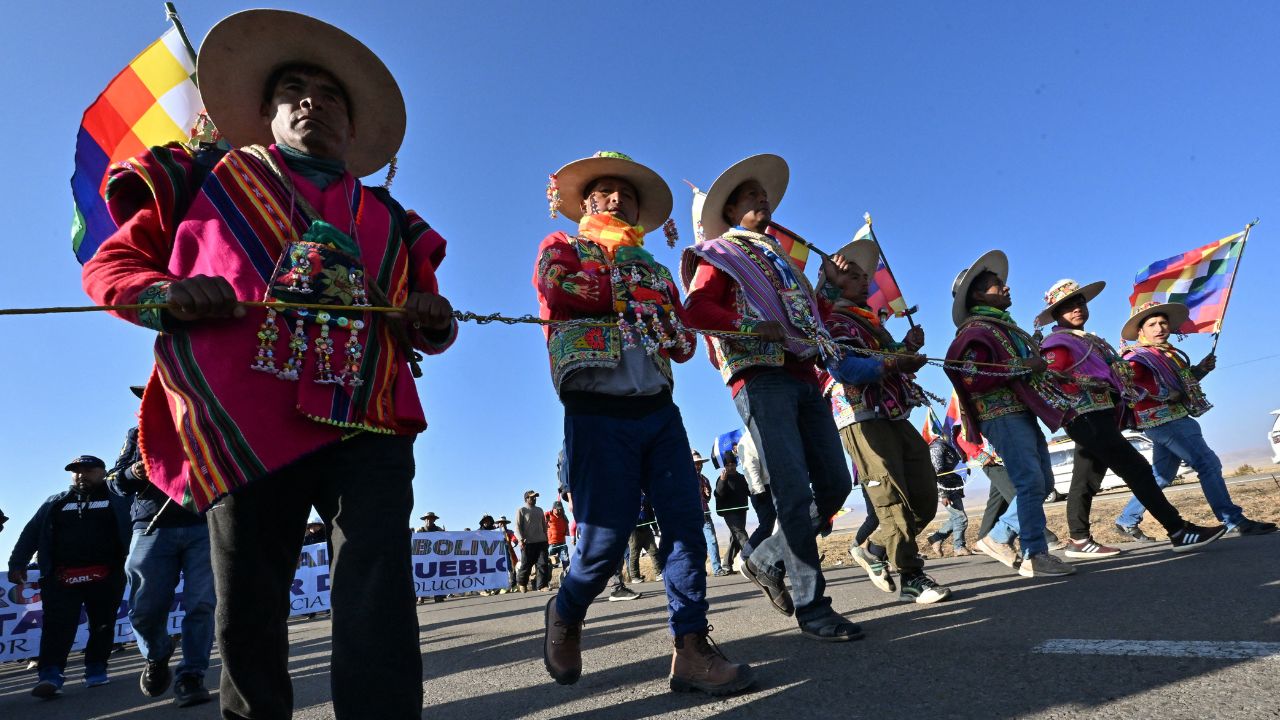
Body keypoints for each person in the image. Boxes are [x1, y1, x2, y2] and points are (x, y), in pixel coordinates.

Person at [80, 11, 458, 718]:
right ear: (264, 112)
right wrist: (165, 292)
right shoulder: (198, 178)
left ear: (351, 125)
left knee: (378, 594)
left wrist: (431, 320)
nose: (313, 100)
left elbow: (424, 318)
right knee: (249, 613)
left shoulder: (390, 218)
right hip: (241, 422)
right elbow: (113, 269)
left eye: (330, 93)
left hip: (369, 419)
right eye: (293, 88)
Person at [535, 151, 751, 694]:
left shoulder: (652, 265)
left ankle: (691, 648)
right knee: (604, 541)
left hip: (657, 406)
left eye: (626, 194)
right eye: (605, 192)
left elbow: (680, 343)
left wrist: (659, 309)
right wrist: (637, 301)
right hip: (595, 406)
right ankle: (566, 609)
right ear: (585, 202)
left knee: (685, 528)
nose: (616, 200)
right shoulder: (563, 246)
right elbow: (558, 287)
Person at [683, 154, 858, 640]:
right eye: (751, 196)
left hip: (805, 374)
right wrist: (745, 325)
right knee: (791, 489)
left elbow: (815, 315)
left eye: (765, 195)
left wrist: (829, 280)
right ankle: (813, 606)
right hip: (761, 375)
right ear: (731, 210)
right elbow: (696, 309)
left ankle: (762, 557)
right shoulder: (720, 255)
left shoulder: (784, 264)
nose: (762, 200)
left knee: (836, 484)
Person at [1037, 282, 1228, 557]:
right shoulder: (1057, 343)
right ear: (1056, 315)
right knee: (1137, 468)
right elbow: (1052, 377)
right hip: (1085, 416)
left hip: (1102, 415)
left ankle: (1079, 539)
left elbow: (1119, 379)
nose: (1077, 309)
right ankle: (1178, 530)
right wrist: (1090, 383)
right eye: (1068, 306)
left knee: (1086, 478)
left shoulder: (1087, 339)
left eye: (1080, 303)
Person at [817, 239, 950, 604]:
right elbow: (842, 367)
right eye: (856, 277)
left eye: (865, 277)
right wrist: (894, 362)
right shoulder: (830, 322)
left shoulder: (871, 322)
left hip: (894, 413)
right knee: (891, 498)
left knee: (924, 496)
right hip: (861, 416)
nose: (866, 283)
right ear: (834, 283)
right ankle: (911, 576)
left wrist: (906, 348)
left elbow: (889, 360)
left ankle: (873, 550)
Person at [943, 251, 1077, 578]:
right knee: (1030, 481)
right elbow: (970, 376)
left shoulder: (1002, 328)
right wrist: (1022, 366)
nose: (1005, 289)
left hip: (1022, 412)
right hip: (1002, 415)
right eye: (996, 286)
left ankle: (1000, 536)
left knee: (1043, 482)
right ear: (977, 295)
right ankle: (1034, 553)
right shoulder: (975, 332)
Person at [1113, 301, 1276, 537]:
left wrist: (1200, 370)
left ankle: (1126, 520)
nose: (1159, 328)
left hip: (1170, 419)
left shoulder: (1164, 355)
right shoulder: (1137, 358)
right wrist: (1167, 396)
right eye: (1152, 324)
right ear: (1141, 331)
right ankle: (1232, 520)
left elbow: (1180, 385)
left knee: (1162, 475)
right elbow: (1130, 387)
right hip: (1166, 421)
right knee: (1207, 463)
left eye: (1163, 323)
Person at [107, 384, 215, 707]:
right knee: (143, 607)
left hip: (202, 524)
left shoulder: (206, 425)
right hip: (151, 527)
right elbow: (115, 480)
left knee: (201, 604)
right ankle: (156, 654)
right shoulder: (136, 434)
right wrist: (134, 471)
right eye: (152, 396)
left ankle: (191, 675)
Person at [7, 456, 132, 698]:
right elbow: (30, 533)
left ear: (103, 472)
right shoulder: (55, 502)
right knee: (57, 627)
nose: (81, 475)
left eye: (88, 470)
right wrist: (17, 563)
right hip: (60, 578)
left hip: (106, 576)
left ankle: (96, 669)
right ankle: (50, 676)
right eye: (75, 471)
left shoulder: (119, 500)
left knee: (103, 625)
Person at [924, 436, 972, 557]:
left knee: (956, 518)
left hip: (954, 487)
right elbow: (935, 472)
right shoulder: (936, 447)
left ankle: (936, 538)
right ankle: (959, 547)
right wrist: (943, 494)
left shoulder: (948, 445)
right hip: (946, 489)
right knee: (961, 518)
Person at [733, 431, 776, 560]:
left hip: (773, 485)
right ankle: (746, 555)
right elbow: (750, 468)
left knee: (785, 523)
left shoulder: (766, 433)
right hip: (762, 489)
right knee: (767, 526)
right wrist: (758, 490)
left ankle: (794, 558)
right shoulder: (747, 440)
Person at [693, 451, 729, 577]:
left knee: (712, 541)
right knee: (697, 544)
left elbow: (707, 499)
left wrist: (707, 495)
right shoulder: (685, 479)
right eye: (696, 463)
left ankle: (717, 569)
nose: (699, 466)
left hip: (705, 514)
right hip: (693, 516)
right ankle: (699, 571)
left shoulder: (705, 480)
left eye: (700, 463)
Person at [714, 453, 751, 572]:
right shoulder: (721, 478)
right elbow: (718, 494)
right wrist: (723, 481)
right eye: (728, 465)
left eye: (733, 464)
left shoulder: (741, 477)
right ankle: (754, 561)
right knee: (741, 534)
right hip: (728, 512)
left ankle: (726, 564)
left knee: (735, 538)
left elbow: (748, 491)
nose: (731, 467)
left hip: (741, 510)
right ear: (724, 466)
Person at [516, 490, 551, 592]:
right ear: (526, 498)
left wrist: (546, 538)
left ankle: (542, 586)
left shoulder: (540, 510)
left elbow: (544, 526)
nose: (534, 499)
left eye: (535, 497)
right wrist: (520, 540)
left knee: (543, 564)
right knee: (526, 565)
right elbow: (517, 527)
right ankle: (522, 583)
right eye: (532, 497)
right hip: (528, 543)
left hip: (541, 541)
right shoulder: (521, 510)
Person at [627, 493, 665, 582]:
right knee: (634, 554)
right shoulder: (626, 497)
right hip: (634, 531)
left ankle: (659, 573)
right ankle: (635, 576)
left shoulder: (645, 498)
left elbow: (651, 514)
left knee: (654, 551)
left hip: (647, 530)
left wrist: (655, 528)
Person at [546, 500, 571, 581]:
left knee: (566, 561)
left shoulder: (563, 516)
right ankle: (547, 582)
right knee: (549, 564)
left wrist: (567, 531)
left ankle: (566, 580)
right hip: (551, 544)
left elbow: (567, 529)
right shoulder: (548, 515)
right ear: (553, 509)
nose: (559, 510)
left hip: (562, 544)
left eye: (561, 509)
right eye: (558, 509)